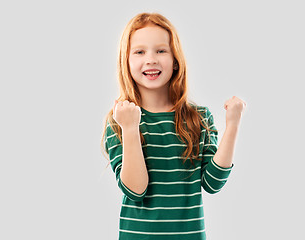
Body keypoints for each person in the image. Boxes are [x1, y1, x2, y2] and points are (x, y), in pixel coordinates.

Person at [101, 12, 246, 240]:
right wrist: (130, 128)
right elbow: (135, 190)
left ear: (175, 59)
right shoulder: (119, 121)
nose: (151, 59)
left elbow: (213, 183)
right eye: (140, 52)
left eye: (161, 50)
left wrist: (233, 125)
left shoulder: (199, 118)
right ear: (126, 61)